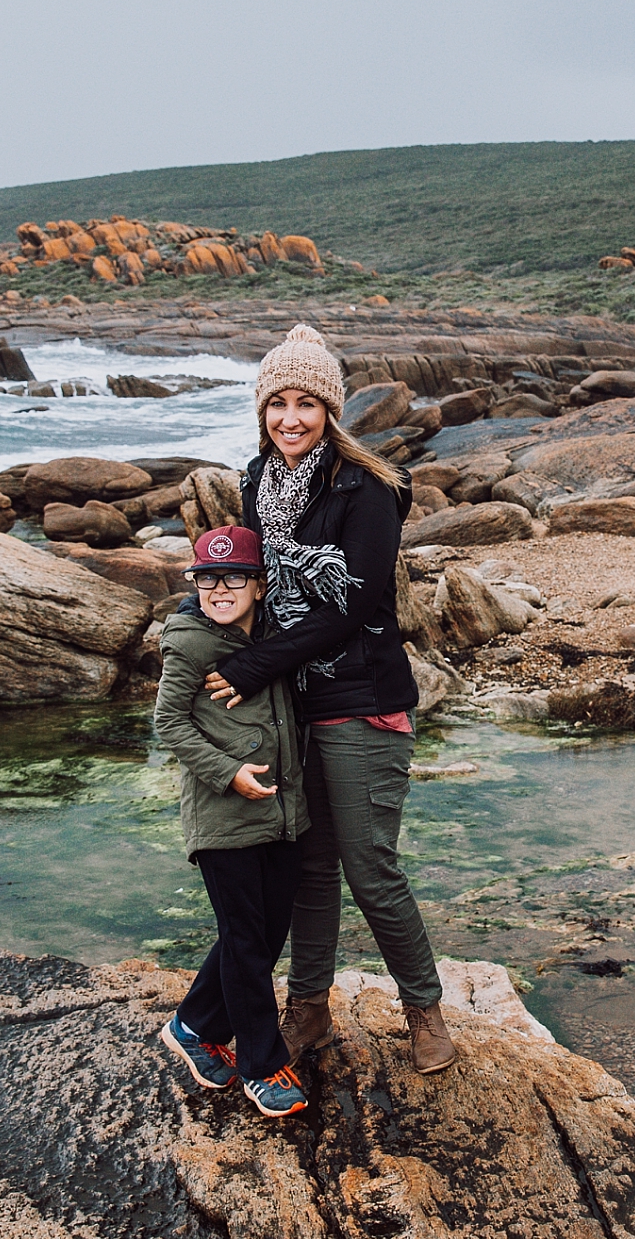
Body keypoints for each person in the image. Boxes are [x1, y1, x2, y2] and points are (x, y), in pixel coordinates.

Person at [204, 324, 455, 1075]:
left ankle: (425, 1010)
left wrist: (253, 666)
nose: (291, 418)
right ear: (262, 411)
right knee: (307, 869)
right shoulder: (258, 481)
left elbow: (351, 605)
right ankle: (307, 1008)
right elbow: (256, 588)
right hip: (294, 705)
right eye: (277, 403)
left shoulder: (366, 487)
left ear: (331, 410)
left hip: (361, 698)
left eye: (306, 403)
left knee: (370, 867)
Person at [152, 524, 315, 1117]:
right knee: (246, 938)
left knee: (264, 934)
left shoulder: (274, 635)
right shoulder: (189, 641)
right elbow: (169, 722)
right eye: (208, 579)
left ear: (260, 585)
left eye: (235, 578)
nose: (220, 590)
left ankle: (194, 1025)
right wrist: (227, 773)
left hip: (282, 812)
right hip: (223, 816)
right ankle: (262, 1067)